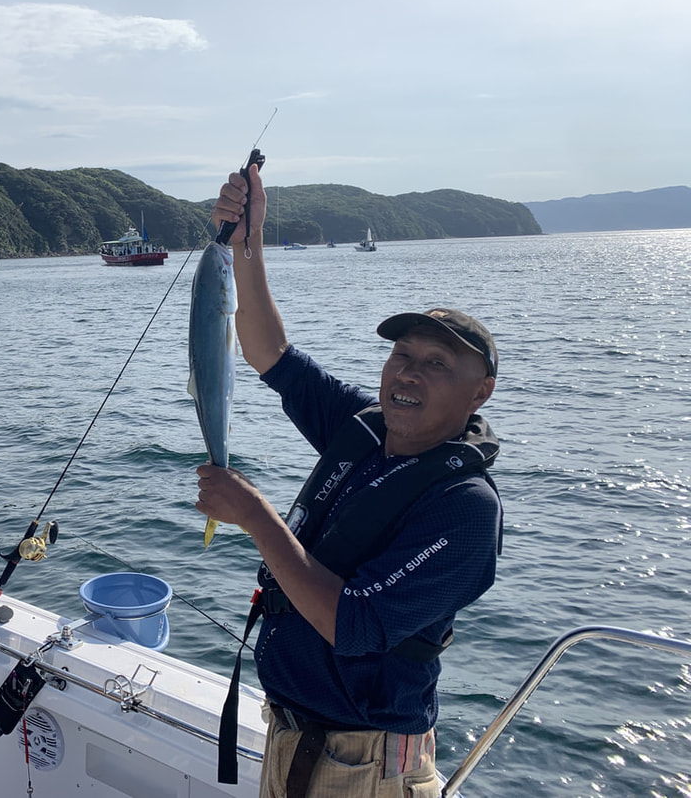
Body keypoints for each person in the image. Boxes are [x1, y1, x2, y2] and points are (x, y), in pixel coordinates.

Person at [196, 164, 502, 798]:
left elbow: (355, 625)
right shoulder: (363, 425)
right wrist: (246, 242)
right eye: (401, 356)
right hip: (290, 736)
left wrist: (255, 514)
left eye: (436, 364)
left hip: (363, 766)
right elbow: (267, 352)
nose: (408, 375)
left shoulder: (464, 508)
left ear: (480, 394)